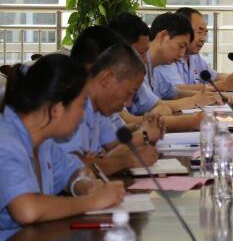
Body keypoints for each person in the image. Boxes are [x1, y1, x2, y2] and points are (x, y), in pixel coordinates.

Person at [0, 54, 125, 229]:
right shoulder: (6, 141)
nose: (83, 115)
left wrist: (84, 185)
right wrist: (93, 201)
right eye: (81, 105)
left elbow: (72, 171)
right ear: (57, 110)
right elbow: (27, 210)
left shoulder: (43, 143)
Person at [66, 28, 162, 175]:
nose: (128, 104)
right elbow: (76, 169)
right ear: (106, 78)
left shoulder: (100, 106)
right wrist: (128, 158)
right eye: (129, 93)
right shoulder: (71, 107)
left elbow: (111, 147)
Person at [108, 12, 212, 131]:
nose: (182, 54)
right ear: (163, 36)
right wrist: (190, 119)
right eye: (181, 46)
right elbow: (129, 123)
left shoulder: (150, 67)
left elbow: (167, 101)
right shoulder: (126, 74)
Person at [154, 7, 233, 93]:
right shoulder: (166, 58)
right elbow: (177, 90)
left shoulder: (194, 56)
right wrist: (223, 85)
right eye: (199, 32)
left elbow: (216, 77)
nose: (203, 38)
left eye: (205, 33)